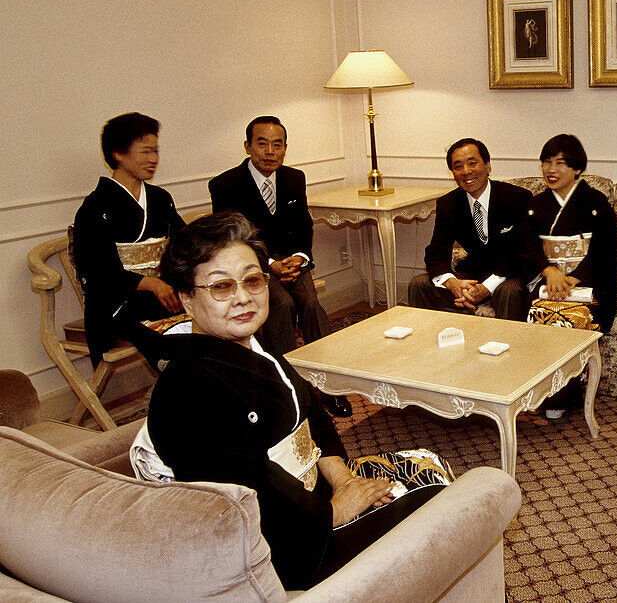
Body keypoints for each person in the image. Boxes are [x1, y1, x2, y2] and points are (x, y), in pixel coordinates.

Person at [128, 212, 452, 590]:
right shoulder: (186, 386)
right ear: (186, 298)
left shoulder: (252, 346)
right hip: (284, 547)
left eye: (252, 280)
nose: (243, 297)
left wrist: (343, 478)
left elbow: (313, 413)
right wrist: (332, 511)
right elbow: (242, 495)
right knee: (440, 509)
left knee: (431, 467)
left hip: (314, 494)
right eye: (221, 287)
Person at [208, 116, 351, 417]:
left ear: (285, 149)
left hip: (293, 263)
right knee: (282, 306)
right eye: (262, 143)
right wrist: (270, 264)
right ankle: (291, 387)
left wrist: (300, 257)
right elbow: (231, 239)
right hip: (251, 269)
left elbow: (304, 225)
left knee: (311, 304)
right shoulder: (225, 185)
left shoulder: (293, 178)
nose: (270, 151)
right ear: (247, 146)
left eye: (278, 145)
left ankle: (328, 385)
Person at [72, 112, 185, 365]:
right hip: (117, 304)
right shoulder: (93, 209)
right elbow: (98, 272)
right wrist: (151, 283)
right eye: (145, 152)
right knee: (178, 338)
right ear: (118, 153)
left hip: (162, 293)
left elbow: (184, 244)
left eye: (155, 151)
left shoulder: (159, 198)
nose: (153, 159)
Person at [520, 134, 617, 418]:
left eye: (560, 163)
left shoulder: (595, 202)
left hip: (588, 283)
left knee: (571, 319)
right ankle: (538, 392)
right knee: (533, 317)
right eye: (546, 162)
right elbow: (526, 247)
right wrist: (549, 270)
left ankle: (563, 396)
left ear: (577, 168)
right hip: (548, 282)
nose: (551, 170)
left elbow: (607, 249)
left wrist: (574, 277)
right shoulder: (535, 205)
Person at [409, 138, 532, 321]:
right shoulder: (448, 204)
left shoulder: (517, 198)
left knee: (510, 291)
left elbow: (522, 251)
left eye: (472, 163)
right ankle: (432, 345)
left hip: (509, 274)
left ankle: (508, 346)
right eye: (458, 167)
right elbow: (435, 253)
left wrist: (486, 288)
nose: (466, 172)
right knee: (418, 284)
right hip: (472, 273)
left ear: (488, 165)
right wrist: (453, 284)